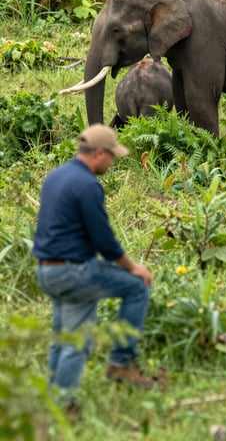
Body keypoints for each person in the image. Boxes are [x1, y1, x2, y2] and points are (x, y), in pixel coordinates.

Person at [32, 124, 159, 420]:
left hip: (47, 271)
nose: (113, 163)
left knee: (64, 337)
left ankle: (54, 398)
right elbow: (105, 241)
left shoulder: (56, 176)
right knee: (136, 287)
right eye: (112, 156)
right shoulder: (87, 185)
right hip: (72, 272)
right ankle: (119, 363)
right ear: (99, 154)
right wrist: (134, 267)